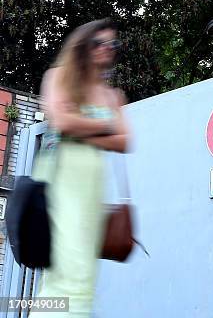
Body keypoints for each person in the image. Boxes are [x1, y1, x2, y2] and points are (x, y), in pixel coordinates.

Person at [29, 19, 130, 317]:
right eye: (99, 43)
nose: (107, 49)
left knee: (82, 267)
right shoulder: (57, 77)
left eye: (113, 44)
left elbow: (125, 141)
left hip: (90, 183)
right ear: (82, 46)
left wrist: (78, 125)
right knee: (67, 264)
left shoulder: (112, 95)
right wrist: (105, 125)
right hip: (61, 179)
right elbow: (60, 122)